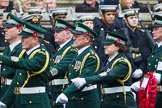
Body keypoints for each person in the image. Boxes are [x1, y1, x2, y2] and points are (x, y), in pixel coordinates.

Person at [71, 31, 137, 108]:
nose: (105, 46)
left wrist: (86, 80)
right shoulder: (108, 60)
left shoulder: (122, 62)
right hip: (108, 101)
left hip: (120, 102)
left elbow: (109, 76)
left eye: (108, 44)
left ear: (117, 47)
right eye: (105, 44)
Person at [0, 21, 51, 108]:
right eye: (21, 37)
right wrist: (5, 101)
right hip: (22, 101)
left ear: (35, 39)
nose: (21, 40)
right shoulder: (26, 54)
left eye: (25, 37)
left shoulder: (41, 54)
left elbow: (27, 64)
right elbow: (17, 80)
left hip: (36, 101)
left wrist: (2, 58)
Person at [56, 22, 101, 108]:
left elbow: (82, 78)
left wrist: (66, 94)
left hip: (85, 100)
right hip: (76, 98)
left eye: (77, 36)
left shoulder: (90, 56)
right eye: (74, 36)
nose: (73, 38)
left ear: (87, 39)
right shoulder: (79, 53)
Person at [131, 14, 162, 108]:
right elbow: (151, 72)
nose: (153, 32)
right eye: (153, 30)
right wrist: (142, 83)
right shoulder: (156, 47)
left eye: (156, 29)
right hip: (154, 94)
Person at [49, 18, 77, 108]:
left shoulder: (71, 49)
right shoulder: (60, 48)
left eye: (58, 32)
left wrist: (45, 74)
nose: (55, 34)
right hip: (54, 89)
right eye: (55, 32)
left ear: (68, 34)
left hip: (62, 89)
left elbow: (61, 67)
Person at [0, 13, 25, 108]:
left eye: (9, 28)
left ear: (19, 29)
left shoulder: (22, 50)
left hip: (14, 95)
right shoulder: (7, 49)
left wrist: (6, 100)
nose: (5, 30)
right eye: (5, 27)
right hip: (4, 90)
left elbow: (18, 77)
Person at [123, 8, 151, 83]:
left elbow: (146, 55)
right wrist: (133, 69)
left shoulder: (142, 35)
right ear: (125, 20)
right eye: (131, 18)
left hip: (141, 71)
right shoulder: (122, 35)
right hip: (126, 72)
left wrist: (141, 69)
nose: (134, 20)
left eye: (136, 17)